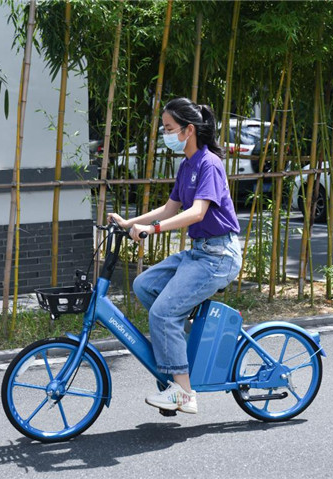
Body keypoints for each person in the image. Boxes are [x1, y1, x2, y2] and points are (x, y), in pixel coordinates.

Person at [107, 97, 242, 414]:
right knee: (143, 285)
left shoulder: (210, 164)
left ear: (188, 129)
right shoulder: (186, 166)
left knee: (163, 314)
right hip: (198, 253)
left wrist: (152, 231)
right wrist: (132, 222)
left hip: (218, 256)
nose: (165, 134)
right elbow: (170, 209)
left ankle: (184, 393)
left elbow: (196, 213)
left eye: (169, 128)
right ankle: (177, 349)